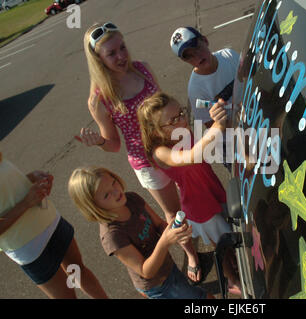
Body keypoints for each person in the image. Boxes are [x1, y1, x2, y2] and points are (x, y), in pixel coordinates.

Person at [76, 22, 202, 283]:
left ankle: (211, 228)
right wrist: (99, 140)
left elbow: (162, 105)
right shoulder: (100, 99)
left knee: (197, 193)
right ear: (98, 59)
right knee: (173, 213)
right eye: (111, 53)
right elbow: (114, 144)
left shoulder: (143, 69)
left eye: (122, 47)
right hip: (147, 163)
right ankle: (191, 254)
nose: (121, 56)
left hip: (176, 147)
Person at [137, 92, 241, 295]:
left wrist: (218, 117)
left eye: (181, 113)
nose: (182, 120)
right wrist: (217, 127)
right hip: (199, 206)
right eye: (173, 119)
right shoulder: (160, 152)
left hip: (212, 191)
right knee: (220, 243)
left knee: (228, 234)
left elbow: (209, 143)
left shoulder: (182, 132)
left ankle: (235, 264)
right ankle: (232, 279)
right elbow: (194, 155)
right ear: (155, 131)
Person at [67, 166, 213, 299]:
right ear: (93, 206)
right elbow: (145, 271)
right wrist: (165, 241)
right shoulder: (112, 236)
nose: (116, 191)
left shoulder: (132, 199)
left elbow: (158, 225)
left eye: (113, 182)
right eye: (106, 195)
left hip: (168, 267)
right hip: (159, 287)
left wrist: (175, 232)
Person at [0, 152, 107, 299]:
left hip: (50, 222)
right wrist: (25, 203)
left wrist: (32, 177)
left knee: (78, 272)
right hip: (30, 248)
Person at [170, 26, 240, 170]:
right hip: (232, 144)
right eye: (189, 56)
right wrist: (228, 120)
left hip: (255, 122)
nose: (196, 56)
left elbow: (249, 78)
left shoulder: (229, 55)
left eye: (197, 47)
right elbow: (212, 127)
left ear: (205, 40)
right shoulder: (195, 90)